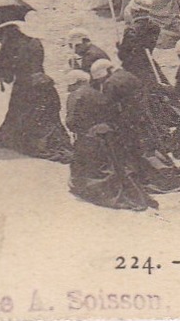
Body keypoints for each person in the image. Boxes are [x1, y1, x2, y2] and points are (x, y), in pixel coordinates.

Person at [95, 59, 180, 195]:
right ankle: (167, 169)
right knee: (151, 148)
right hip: (143, 117)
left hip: (129, 122)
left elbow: (109, 106)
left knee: (139, 151)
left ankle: (157, 177)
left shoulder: (110, 83)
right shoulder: (127, 74)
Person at [64, 63, 154, 212]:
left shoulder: (75, 96)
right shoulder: (96, 93)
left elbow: (71, 122)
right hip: (107, 136)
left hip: (89, 139)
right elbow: (111, 112)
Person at [0, 23, 71, 162]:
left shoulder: (7, 49)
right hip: (45, 84)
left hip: (25, 88)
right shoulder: (35, 42)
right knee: (48, 118)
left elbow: (8, 78)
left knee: (20, 120)